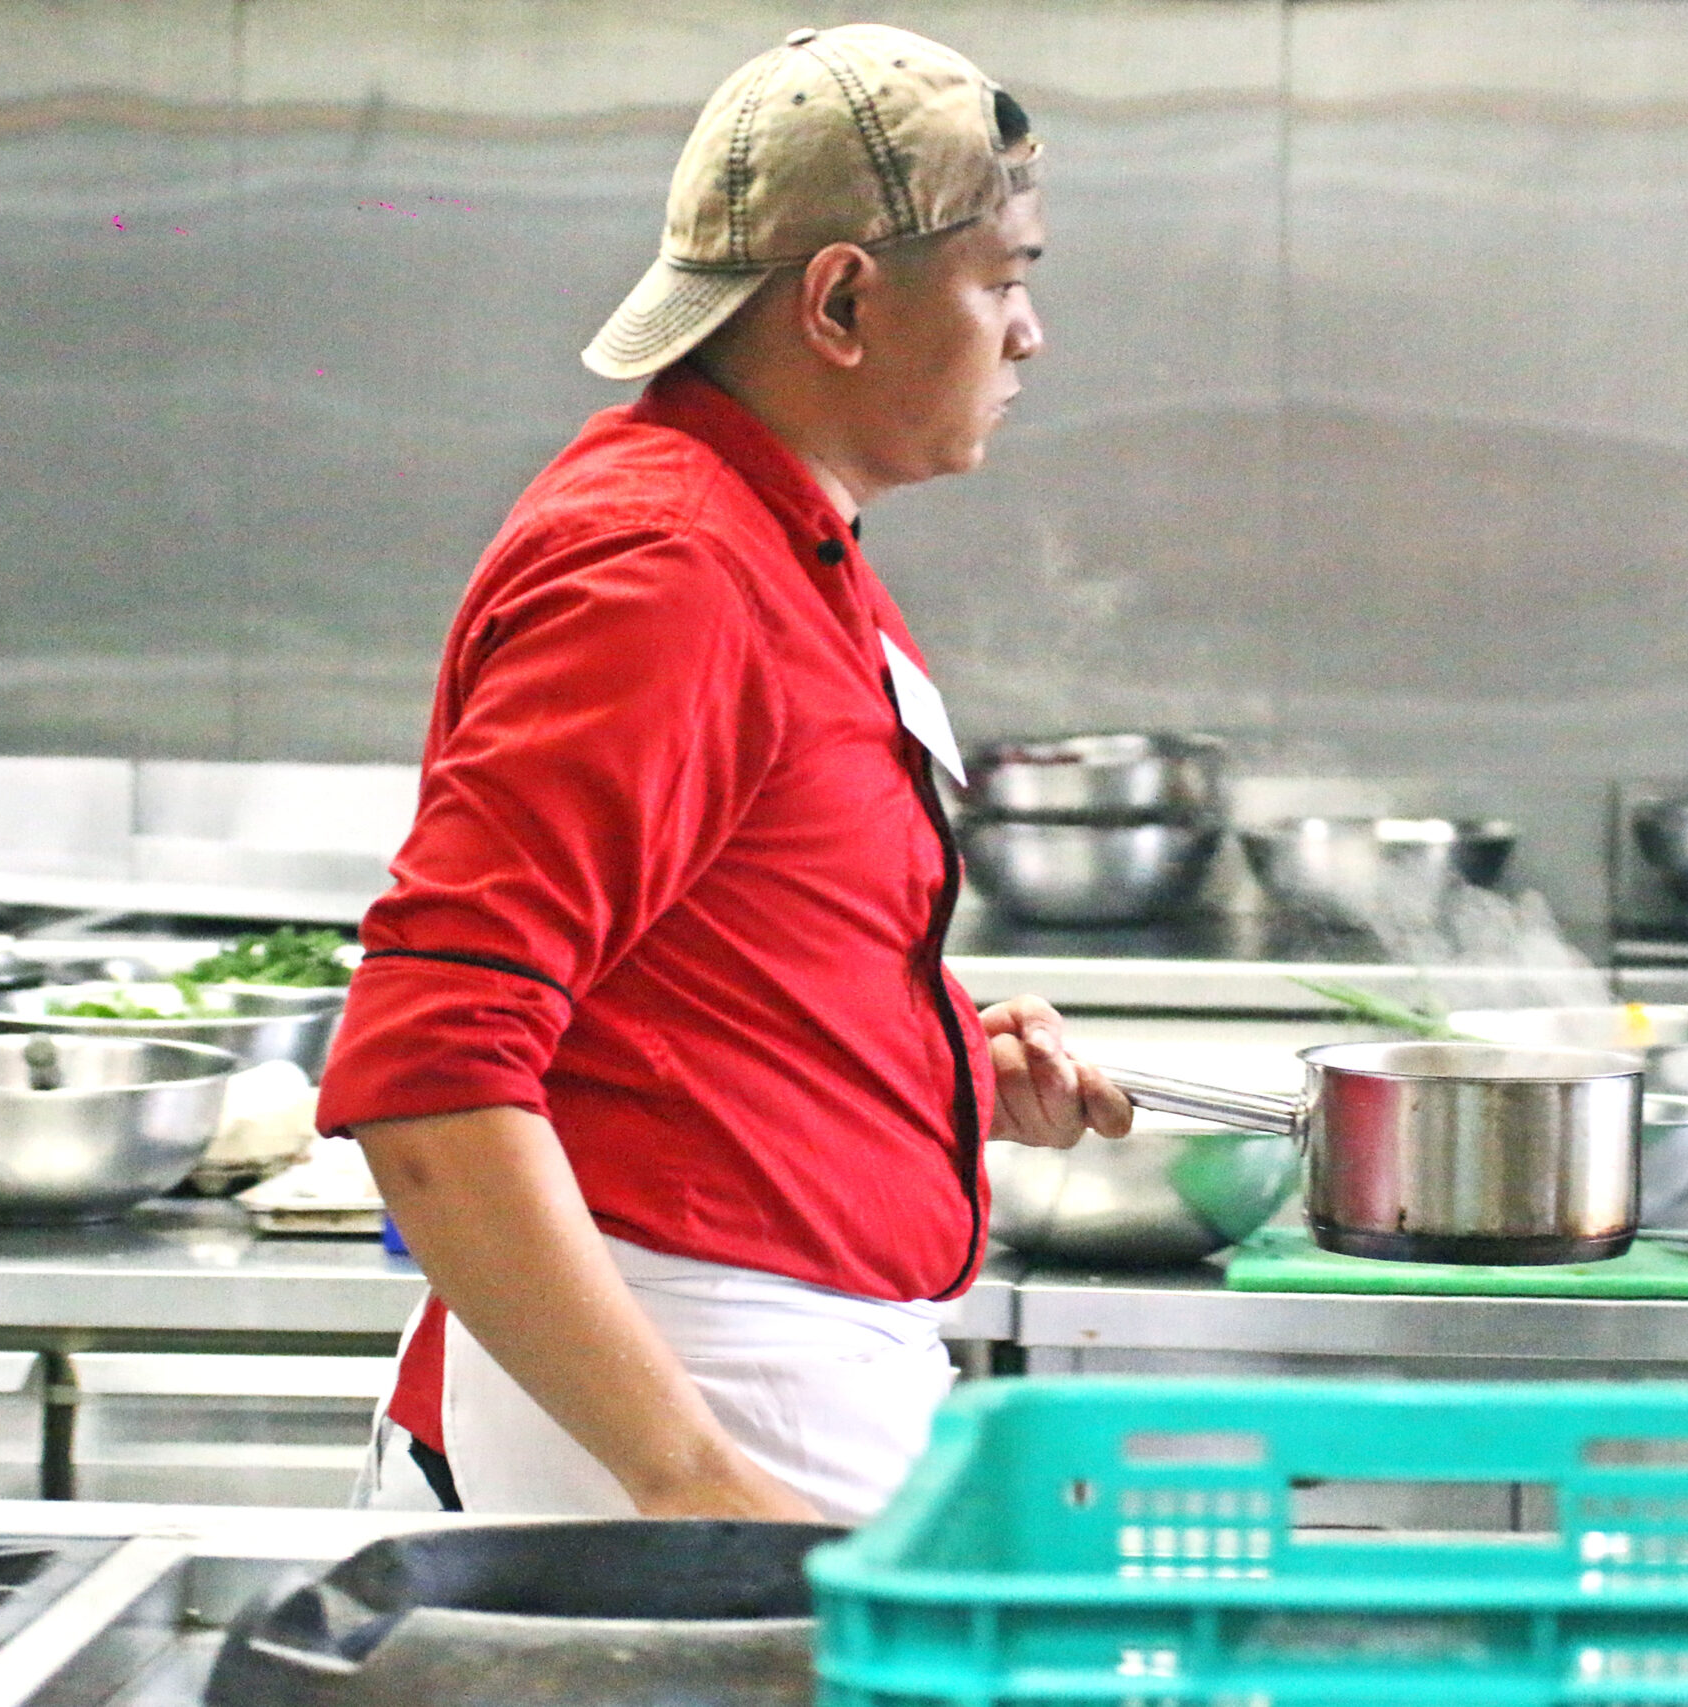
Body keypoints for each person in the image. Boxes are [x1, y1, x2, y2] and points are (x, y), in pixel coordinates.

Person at [314, 24, 1132, 1525]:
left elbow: (686, 958)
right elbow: (428, 1069)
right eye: (1004, 280)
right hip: (690, 1390)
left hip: (765, 1358)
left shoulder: (782, 538)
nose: (1029, 335)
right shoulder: (666, 569)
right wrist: (688, 1482)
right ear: (841, 302)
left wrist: (919, 1058)